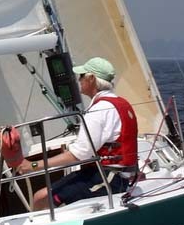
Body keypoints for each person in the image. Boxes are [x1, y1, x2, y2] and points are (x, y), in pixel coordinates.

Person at [17, 57, 138, 210]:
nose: (79, 80)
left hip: (108, 179)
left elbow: (78, 155)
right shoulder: (121, 103)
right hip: (116, 175)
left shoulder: (97, 111)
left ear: (92, 79)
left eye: (82, 76)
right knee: (40, 196)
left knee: (42, 199)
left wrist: (32, 166)